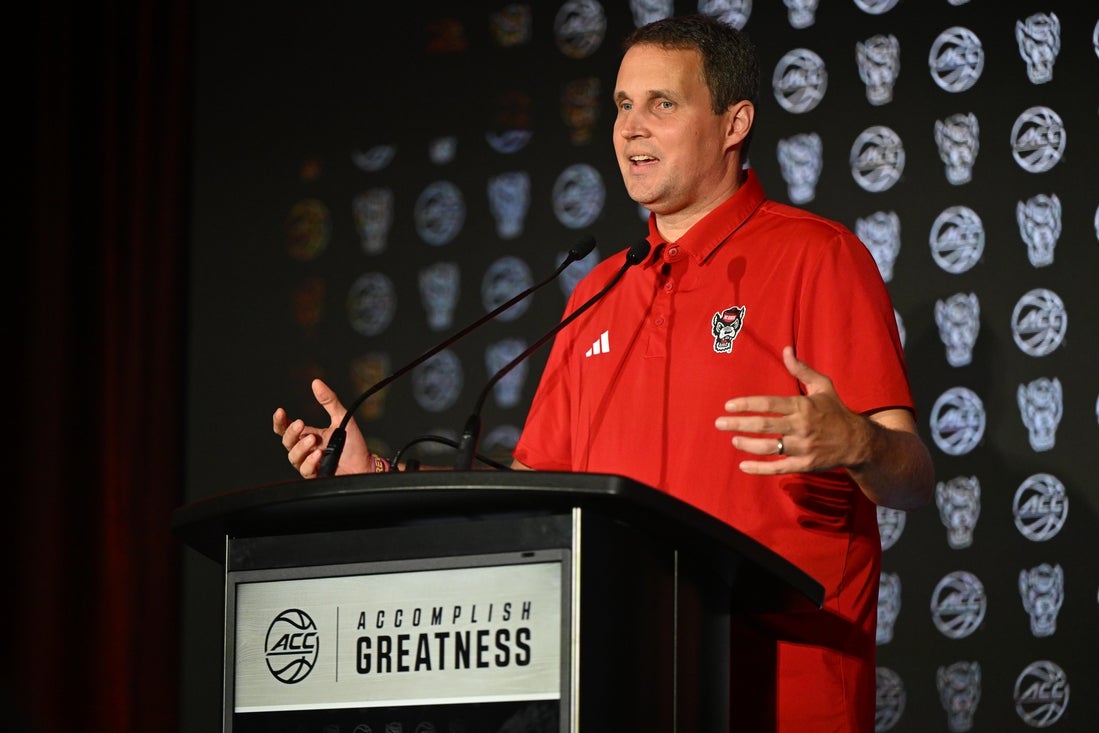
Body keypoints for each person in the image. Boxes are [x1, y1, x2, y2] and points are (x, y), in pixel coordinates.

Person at [273, 14, 934, 732]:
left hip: (780, 695)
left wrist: (857, 442)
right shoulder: (598, 291)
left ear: (734, 122)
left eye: (662, 103)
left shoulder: (818, 257)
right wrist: (377, 476)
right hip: (623, 688)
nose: (630, 129)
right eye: (622, 105)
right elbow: (530, 501)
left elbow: (913, 479)